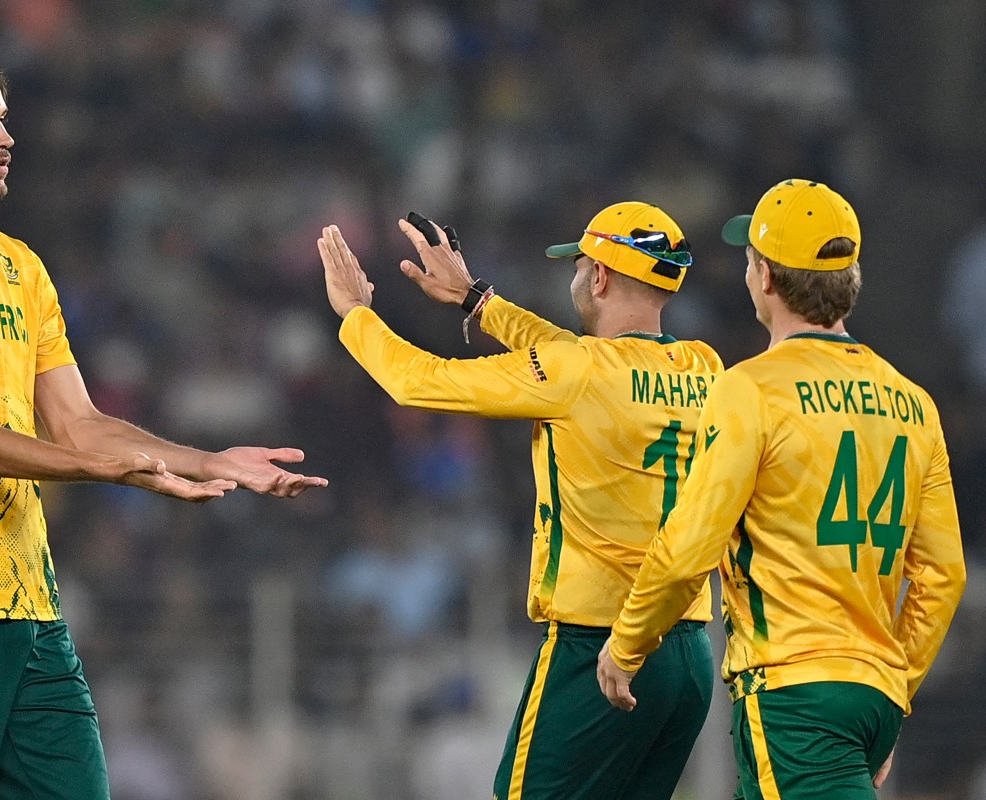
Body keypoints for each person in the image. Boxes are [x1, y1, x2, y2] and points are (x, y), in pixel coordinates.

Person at [0, 43, 327, 800]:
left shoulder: (19, 267)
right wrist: (108, 472)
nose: (5, 137)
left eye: (3, 119)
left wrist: (209, 462)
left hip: (29, 602)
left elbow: (80, 423)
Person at [317, 203, 725, 799]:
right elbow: (578, 358)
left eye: (579, 264)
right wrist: (476, 300)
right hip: (688, 652)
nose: (575, 275)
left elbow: (418, 381)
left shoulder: (577, 371)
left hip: (597, 646)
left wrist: (356, 314)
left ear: (600, 276)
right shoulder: (704, 367)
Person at [597, 179, 967, 798]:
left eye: (750, 259)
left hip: (794, 692)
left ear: (765, 277)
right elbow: (943, 575)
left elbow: (690, 547)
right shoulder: (914, 405)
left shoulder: (750, 391)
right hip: (873, 691)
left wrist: (627, 643)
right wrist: (893, 686)